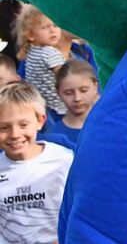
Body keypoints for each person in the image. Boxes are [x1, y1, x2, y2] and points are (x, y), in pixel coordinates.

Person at [0, 82, 74, 244]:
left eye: (23, 125)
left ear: (40, 120)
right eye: (4, 127)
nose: (15, 134)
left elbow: (81, 208)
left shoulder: (64, 160)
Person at [14, 7, 67, 117]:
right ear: (30, 35)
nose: (52, 30)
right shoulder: (50, 53)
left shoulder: (31, 52)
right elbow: (65, 76)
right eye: (45, 27)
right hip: (59, 107)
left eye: (55, 25)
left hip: (40, 105)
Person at [47, 60, 100, 148]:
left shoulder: (111, 123)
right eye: (68, 93)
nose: (77, 98)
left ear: (95, 86)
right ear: (58, 92)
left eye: (84, 90)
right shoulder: (53, 136)